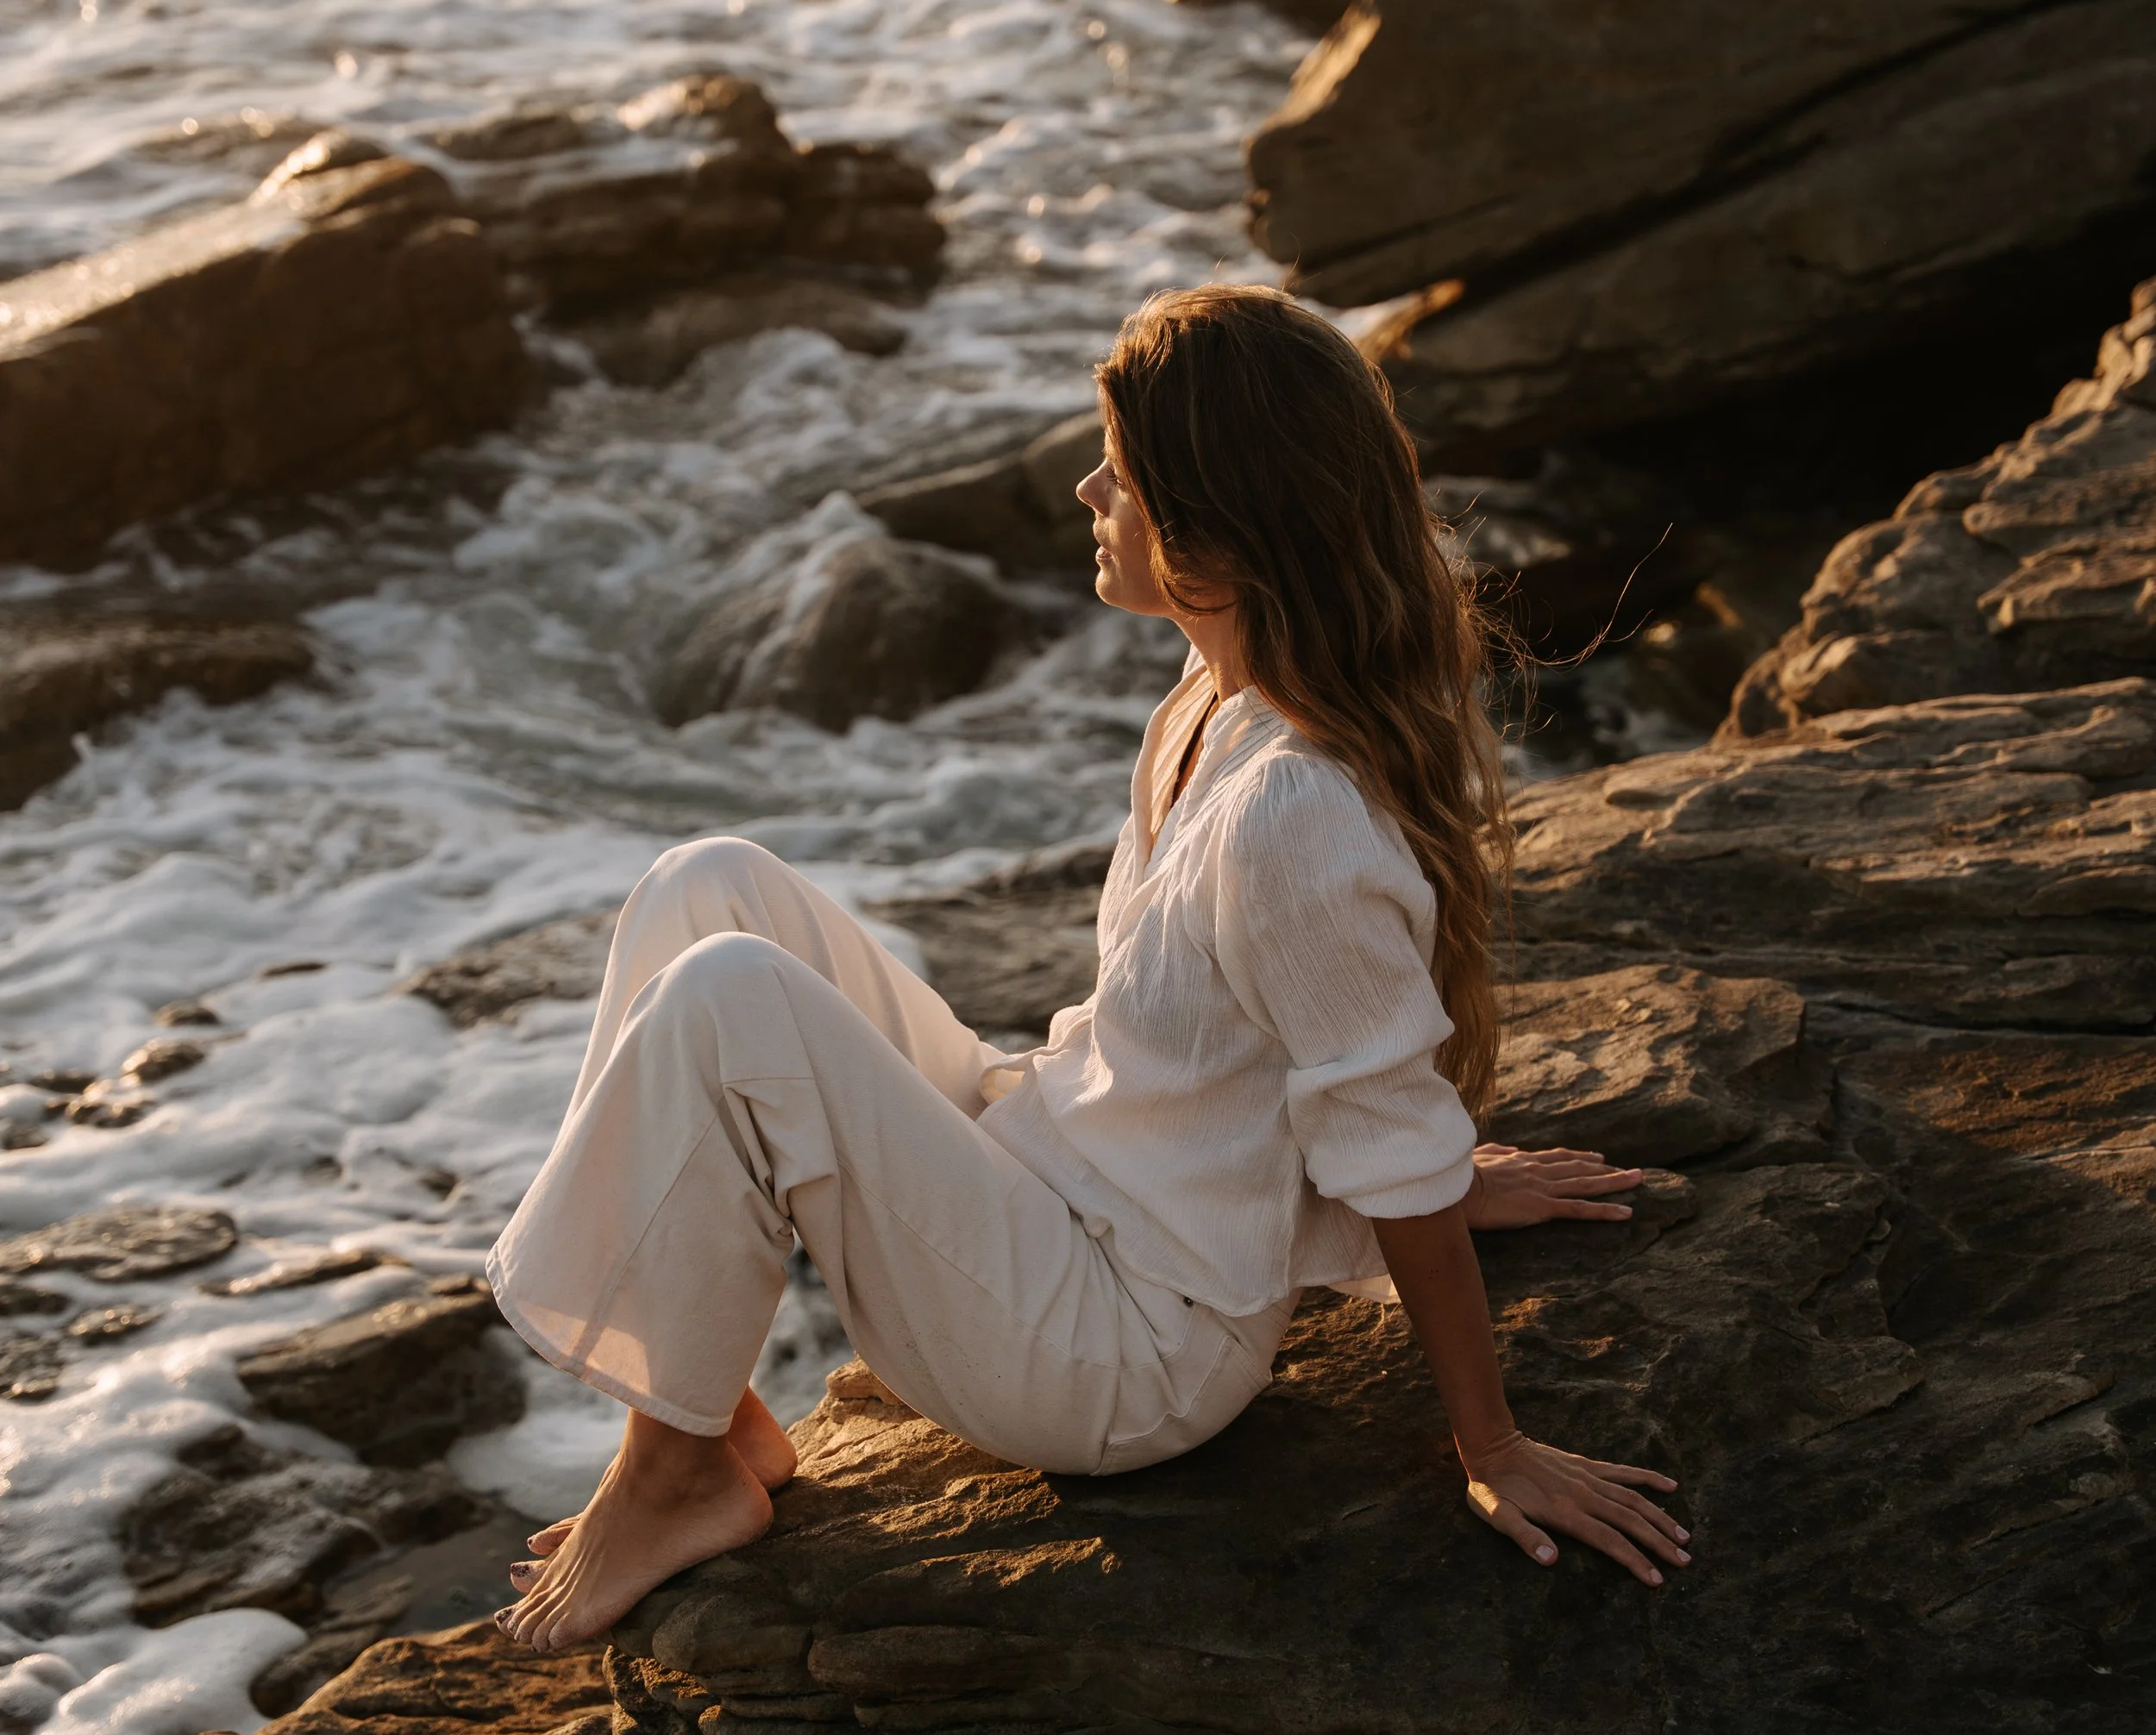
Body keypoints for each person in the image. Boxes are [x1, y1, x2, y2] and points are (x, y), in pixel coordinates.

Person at [492, 285, 1686, 1652]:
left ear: (1215, 547)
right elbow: (1264, 1069)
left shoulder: (1294, 810)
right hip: (1059, 1165)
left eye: (1121, 472)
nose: (1085, 485)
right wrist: (1454, 1182)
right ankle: (704, 1414)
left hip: (1124, 1352)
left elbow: (1382, 1121)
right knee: (708, 890)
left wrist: (1494, 1438)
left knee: (727, 1006)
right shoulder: (1209, 698)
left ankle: (674, 1469)